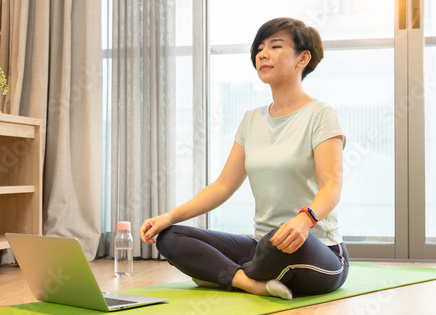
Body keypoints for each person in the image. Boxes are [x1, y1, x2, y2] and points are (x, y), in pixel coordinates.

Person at [139, 17, 349, 300]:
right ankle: (249, 282)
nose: (262, 54)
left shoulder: (321, 115)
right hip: (261, 246)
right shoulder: (251, 120)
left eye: (275, 46)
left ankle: (222, 273)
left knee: (276, 242)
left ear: (303, 58)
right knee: (172, 237)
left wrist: (304, 220)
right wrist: (168, 217)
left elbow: (332, 186)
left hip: (318, 249)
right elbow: (223, 186)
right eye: (259, 48)